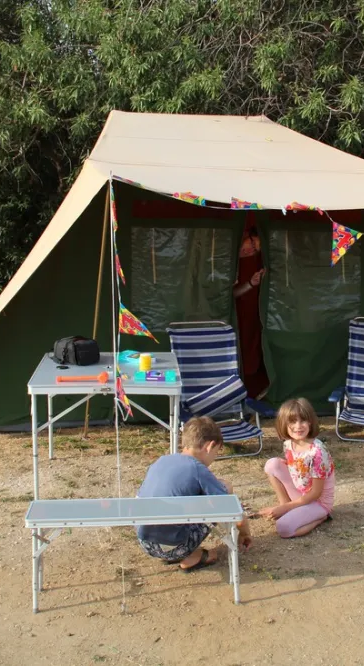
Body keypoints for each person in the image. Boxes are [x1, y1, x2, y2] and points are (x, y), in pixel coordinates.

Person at [135, 417, 252, 571]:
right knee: (225, 489)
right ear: (210, 446)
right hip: (173, 547)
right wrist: (244, 532)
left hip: (146, 543)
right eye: (216, 452)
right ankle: (192, 556)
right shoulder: (198, 468)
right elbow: (228, 504)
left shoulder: (162, 460)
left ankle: (177, 551)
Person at [260, 398, 335, 538]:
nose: (298, 426)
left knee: (283, 528)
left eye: (303, 421)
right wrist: (286, 506)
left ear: (310, 422)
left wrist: (286, 508)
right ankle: (287, 506)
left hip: (318, 502)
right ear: (283, 423)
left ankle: (321, 517)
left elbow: (315, 493)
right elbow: (293, 469)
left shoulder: (317, 453)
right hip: (301, 492)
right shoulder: (288, 443)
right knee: (272, 464)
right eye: (292, 421)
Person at [233, 219, 269, 398]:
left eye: (256, 250)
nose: (251, 250)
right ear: (245, 235)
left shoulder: (252, 264)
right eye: (252, 243)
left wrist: (251, 283)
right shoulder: (226, 256)